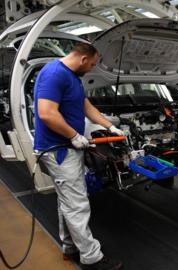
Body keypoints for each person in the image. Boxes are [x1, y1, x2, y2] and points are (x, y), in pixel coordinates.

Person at [34, 42, 123, 270]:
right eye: (92, 64)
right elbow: (46, 113)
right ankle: (92, 258)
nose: (92, 69)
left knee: (67, 200)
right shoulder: (54, 74)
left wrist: (110, 127)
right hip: (58, 151)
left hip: (66, 148)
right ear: (83, 59)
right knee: (77, 205)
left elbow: (86, 106)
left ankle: (70, 247)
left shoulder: (72, 77)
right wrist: (74, 135)